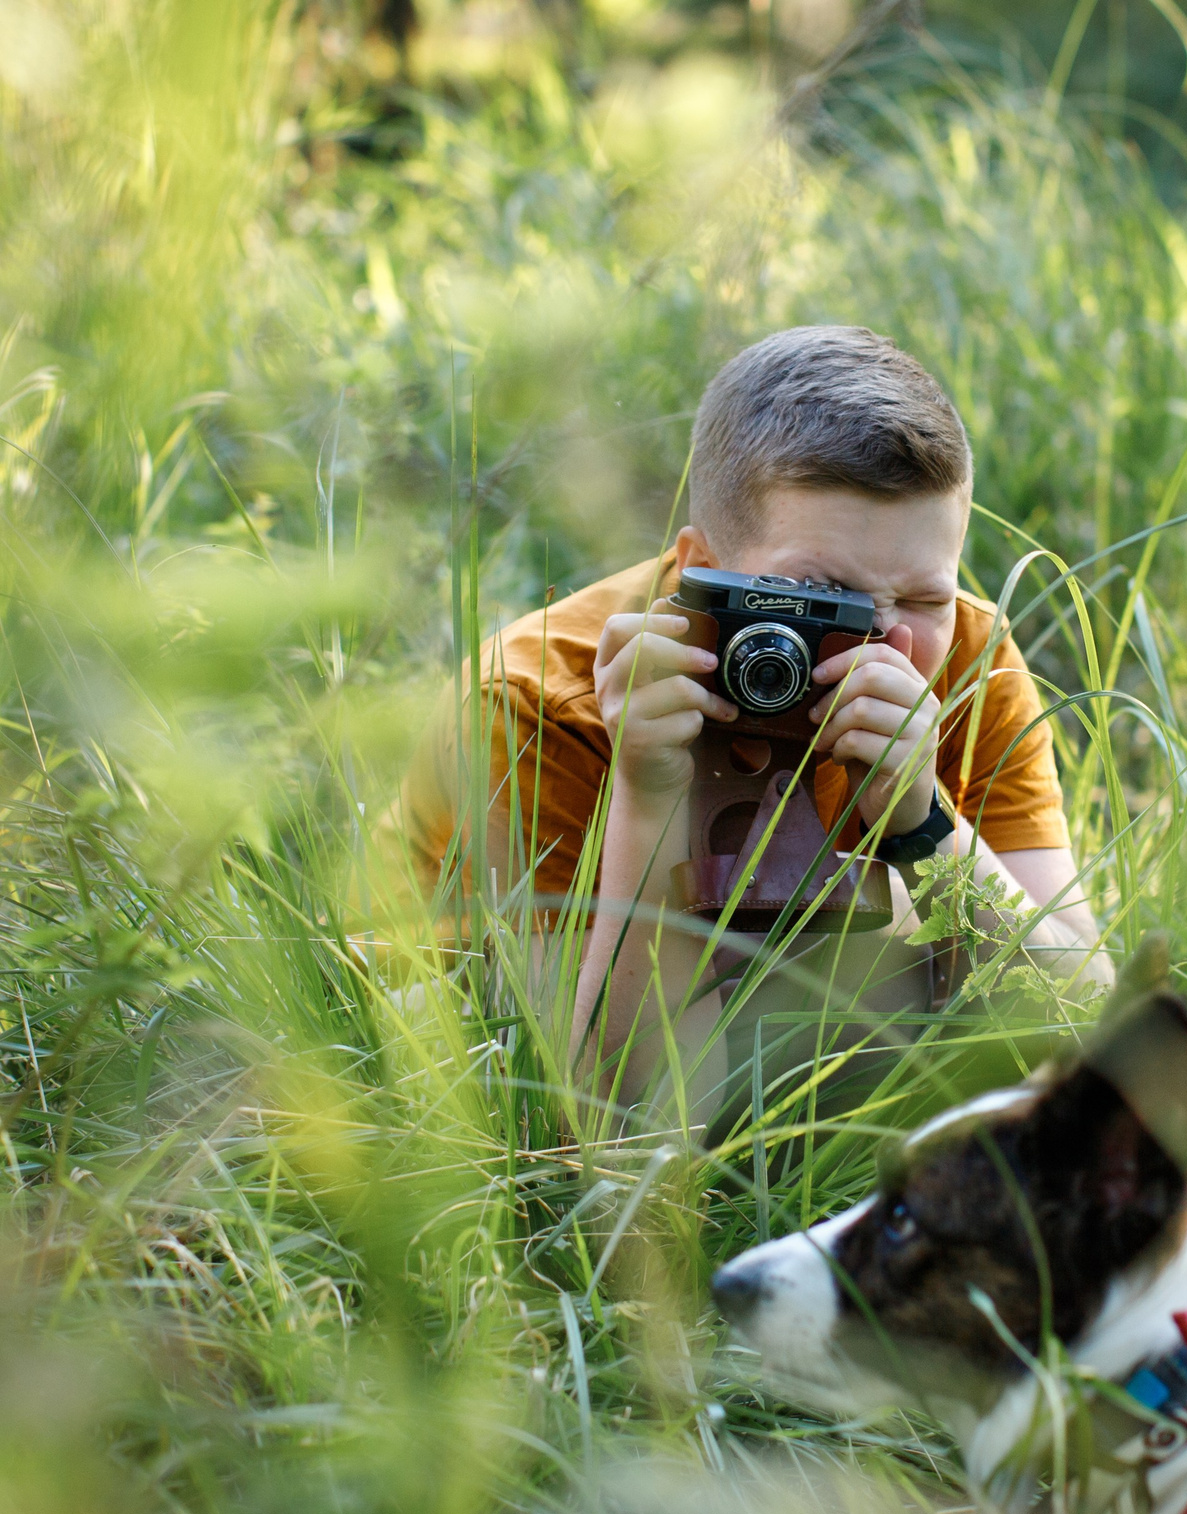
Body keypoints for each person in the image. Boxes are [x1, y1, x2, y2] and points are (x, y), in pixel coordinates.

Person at [391, 325, 1109, 1127]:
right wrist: (648, 794)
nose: (880, 643)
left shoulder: (967, 655)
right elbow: (616, 1120)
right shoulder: (536, 704)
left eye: (923, 598)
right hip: (482, 1027)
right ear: (702, 568)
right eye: (822, 593)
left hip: (799, 1025)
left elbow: (1092, 1022)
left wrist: (924, 826)